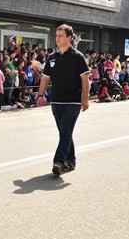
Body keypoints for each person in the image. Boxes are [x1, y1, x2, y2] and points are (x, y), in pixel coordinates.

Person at [36, 24, 90, 176]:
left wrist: (85, 99)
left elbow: (85, 79)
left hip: (72, 102)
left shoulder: (77, 57)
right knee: (64, 133)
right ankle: (71, 160)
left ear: (69, 37)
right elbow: (45, 78)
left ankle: (58, 162)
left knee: (65, 132)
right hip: (56, 102)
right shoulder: (52, 57)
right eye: (56, 35)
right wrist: (40, 95)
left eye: (61, 35)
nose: (57, 38)